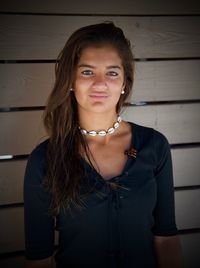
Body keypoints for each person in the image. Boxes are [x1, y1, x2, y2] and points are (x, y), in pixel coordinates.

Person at [24, 22, 183, 268]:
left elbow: (166, 239)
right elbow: (39, 259)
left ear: (124, 84)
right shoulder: (44, 159)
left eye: (112, 72)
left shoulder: (155, 146)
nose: (100, 83)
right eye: (87, 72)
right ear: (70, 81)